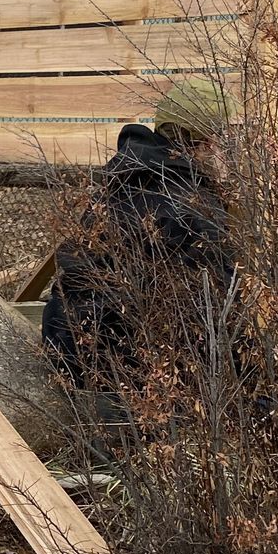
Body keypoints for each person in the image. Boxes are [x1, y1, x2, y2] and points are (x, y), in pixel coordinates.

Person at [41, 79, 234, 391]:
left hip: (67, 349)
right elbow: (223, 309)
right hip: (132, 377)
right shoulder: (195, 205)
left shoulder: (123, 178)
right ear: (209, 143)